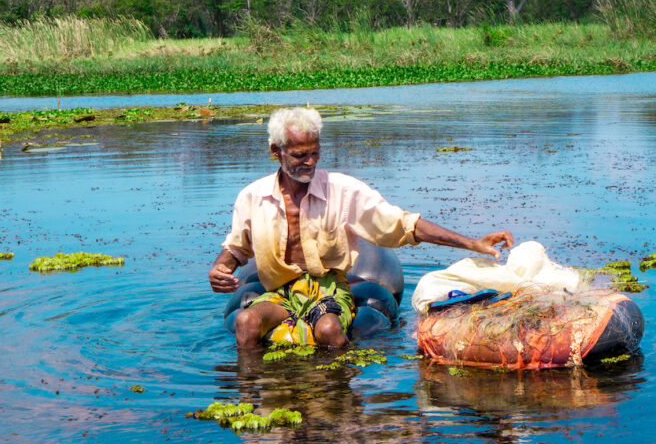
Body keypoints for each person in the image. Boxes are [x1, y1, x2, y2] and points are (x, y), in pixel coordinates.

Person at [209, 107, 514, 349]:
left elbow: (403, 225)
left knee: (328, 328)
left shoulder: (343, 190)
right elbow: (236, 248)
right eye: (300, 155)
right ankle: (249, 394)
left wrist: (473, 243)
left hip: (327, 291)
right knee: (247, 322)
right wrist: (220, 269)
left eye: (315, 152)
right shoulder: (253, 197)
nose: (310, 162)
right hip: (280, 291)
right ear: (276, 151)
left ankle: (340, 395)